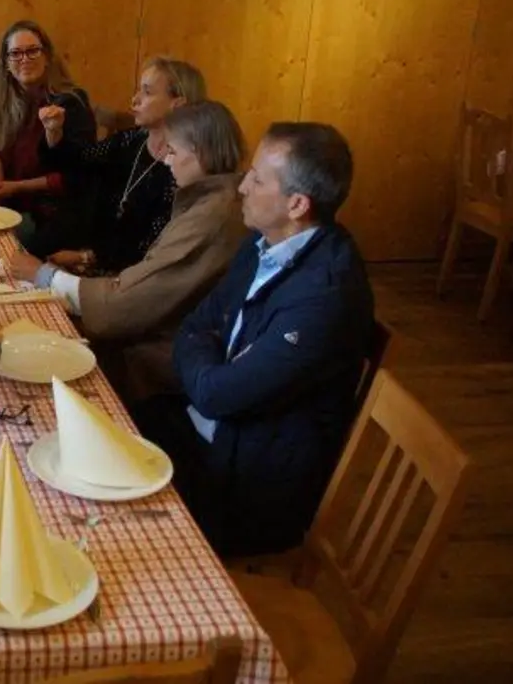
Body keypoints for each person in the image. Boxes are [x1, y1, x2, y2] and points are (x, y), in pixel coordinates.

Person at [131, 122, 376, 559]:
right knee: (110, 420)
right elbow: (195, 325)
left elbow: (214, 394)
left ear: (297, 204)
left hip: (246, 486)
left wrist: (208, 370)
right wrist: (211, 366)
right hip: (212, 432)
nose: (242, 186)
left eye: (257, 178)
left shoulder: (324, 298)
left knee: (107, 502)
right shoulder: (263, 242)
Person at [9, 102, 250, 398]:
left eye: (172, 151)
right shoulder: (210, 200)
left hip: (166, 357)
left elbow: (133, 302)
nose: (165, 161)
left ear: (200, 152)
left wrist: (45, 275)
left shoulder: (213, 216)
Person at [31, 56, 206, 270]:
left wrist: (86, 257)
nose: (135, 99)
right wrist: (54, 130)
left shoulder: (183, 167)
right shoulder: (132, 139)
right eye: (138, 90)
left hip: (123, 274)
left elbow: (149, 247)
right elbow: (78, 162)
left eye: (147, 92)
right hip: (85, 249)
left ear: (177, 104)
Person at [0, 20, 95, 248]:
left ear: (47, 57)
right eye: (15, 54)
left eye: (32, 51)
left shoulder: (70, 103)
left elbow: (77, 177)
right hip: (1, 203)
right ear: (6, 63)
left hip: (47, 214)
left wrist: (16, 186)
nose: (24, 59)